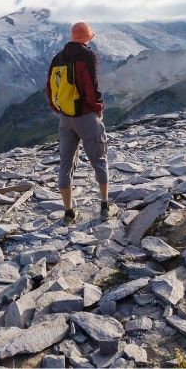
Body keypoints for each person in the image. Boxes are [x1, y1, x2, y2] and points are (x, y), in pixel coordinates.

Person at [46, 21, 118, 225]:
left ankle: (68, 213)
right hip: (86, 117)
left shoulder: (57, 58)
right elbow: (92, 86)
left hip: (65, 118)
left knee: (65, 164)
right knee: (99, 160)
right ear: (87, 37)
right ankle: (105, 207)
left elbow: (50, 89)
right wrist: (98, 109)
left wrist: (60, 111)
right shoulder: (88, 56)